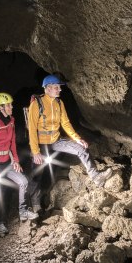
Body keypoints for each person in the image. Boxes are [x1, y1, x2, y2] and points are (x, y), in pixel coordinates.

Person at [27, 75, 112, 214]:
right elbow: (31, 129)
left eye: (59, 87)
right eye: (56, 87)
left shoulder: (59, 103)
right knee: (37, 173)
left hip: (55, 140)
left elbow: (65, 124)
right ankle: (35, 203)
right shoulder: (37, 104)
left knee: (81, 149)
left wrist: (77, 139)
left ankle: (96, 177)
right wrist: (35, 152)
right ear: (47, 88)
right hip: (40, 144)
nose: (59, 89)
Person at [0, 92, 38, 236]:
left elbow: (12, 143)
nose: (11, 107)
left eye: (11, 104)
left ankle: (23, 211)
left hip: (8, 163)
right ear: (0, 107)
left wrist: (16, 161)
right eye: (8, 105)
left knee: (23, 181)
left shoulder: (11, 120)